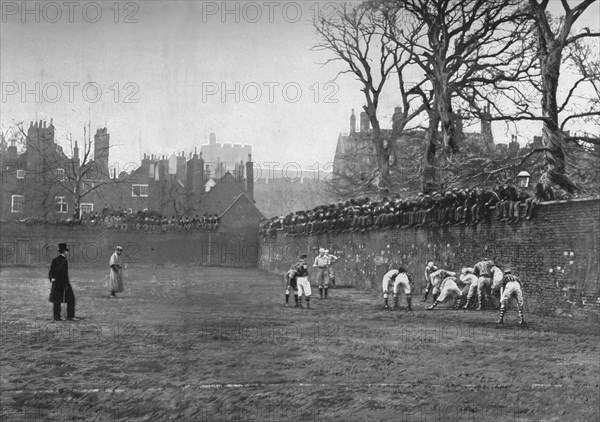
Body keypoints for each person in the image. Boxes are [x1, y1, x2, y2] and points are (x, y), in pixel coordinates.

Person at [48, 243, 78, 321]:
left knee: (56, 300)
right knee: (71, 299)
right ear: (64, 252)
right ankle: (70, 316)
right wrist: (66, 284)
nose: (67, 252)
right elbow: (64, 274)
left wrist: (51, 278)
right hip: (63, 283)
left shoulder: (55, 260)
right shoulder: (64, 261)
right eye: (66, 251)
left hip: (56, 283)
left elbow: (51, 271)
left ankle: (57, 317)